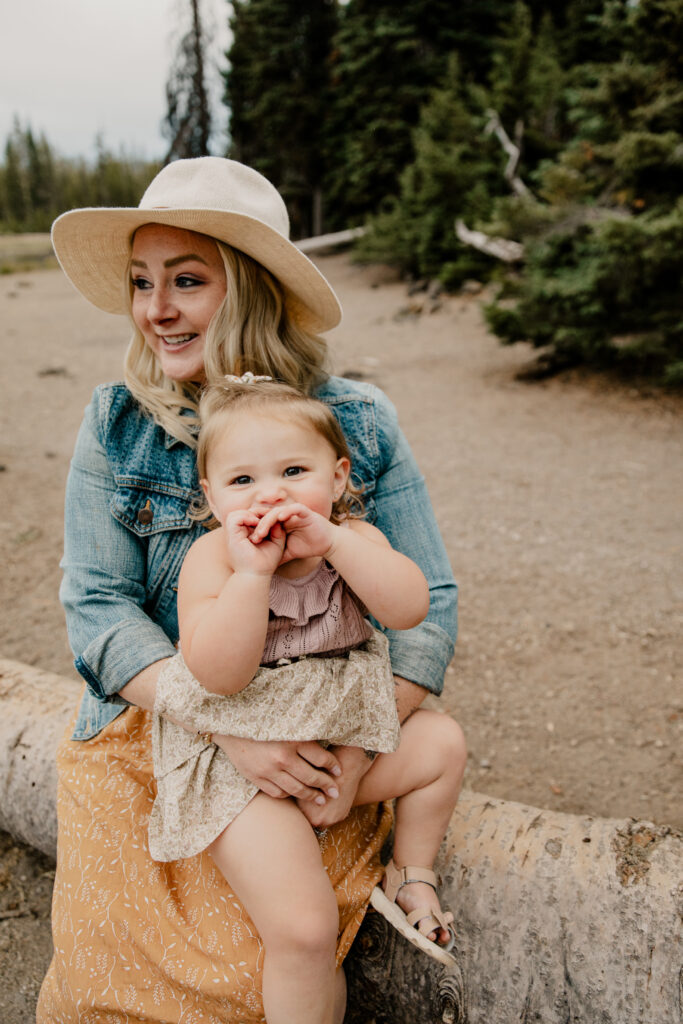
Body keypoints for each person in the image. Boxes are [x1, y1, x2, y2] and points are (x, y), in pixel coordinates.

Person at [37, 156, 465, 1024]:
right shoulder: (117, 420)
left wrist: (352, 744)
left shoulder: (356, 420)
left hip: (330, 722)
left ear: (253, 288)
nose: (156, 309)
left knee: (280, 938)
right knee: (136, 972)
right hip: (166, 713)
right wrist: (229, 726)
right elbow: (98, 610)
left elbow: (430, 604)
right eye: (140, 281)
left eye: (187, 280)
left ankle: (399, 876)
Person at [148, 376, 462, 1020]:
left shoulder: (355, 539)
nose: (272, 493)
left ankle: (412, 872)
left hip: (337, 738)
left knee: (441, 743)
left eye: (294, 470)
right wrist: (253, 576)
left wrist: (337, 544)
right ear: (209, 496)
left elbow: (410, 610)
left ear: (339, 476)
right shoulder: (213, 559)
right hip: (244, 768)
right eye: (242, 482)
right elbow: (218, 675)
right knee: (304, 930)